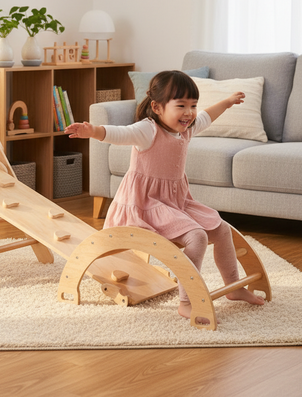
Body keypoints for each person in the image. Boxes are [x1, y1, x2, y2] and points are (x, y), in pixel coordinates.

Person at [65, 70, 264, 324]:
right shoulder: (147, 130)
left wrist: (226, 102)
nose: (189, 112)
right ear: (157, 107)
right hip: (146, 204)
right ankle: (186, 301)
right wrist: (92, 130)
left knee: (221, 228)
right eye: (181, 106)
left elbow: (206, 117)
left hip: (175, 202)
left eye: (192, 105)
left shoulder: (186, 129)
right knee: (197, 236)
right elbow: (119, 133)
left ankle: (234, 287)